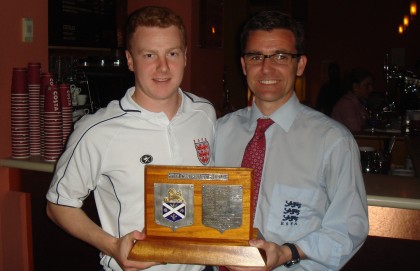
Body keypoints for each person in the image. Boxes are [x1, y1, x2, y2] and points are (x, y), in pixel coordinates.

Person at [46, 6, 216, 271]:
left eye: (172, 53)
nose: (163, 66)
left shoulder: (204, 113)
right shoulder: (97, 131)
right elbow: (58, 205)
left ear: (185, 56)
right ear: (130, 60)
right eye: (149, 55)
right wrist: (113, 247)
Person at [213, 11, 368, 271]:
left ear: (300, 65)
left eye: (281, 56)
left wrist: (287, 253)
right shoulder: (218, 132)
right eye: (256, 57)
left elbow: (349, 229)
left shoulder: (332, 141)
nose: (266, 68)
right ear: (244, 65)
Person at [331, 68, 374, 132]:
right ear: (355, 86)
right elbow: (356, 130)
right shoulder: (346, 104)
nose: (371, 89)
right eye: (367, 85)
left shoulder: (358, 103)